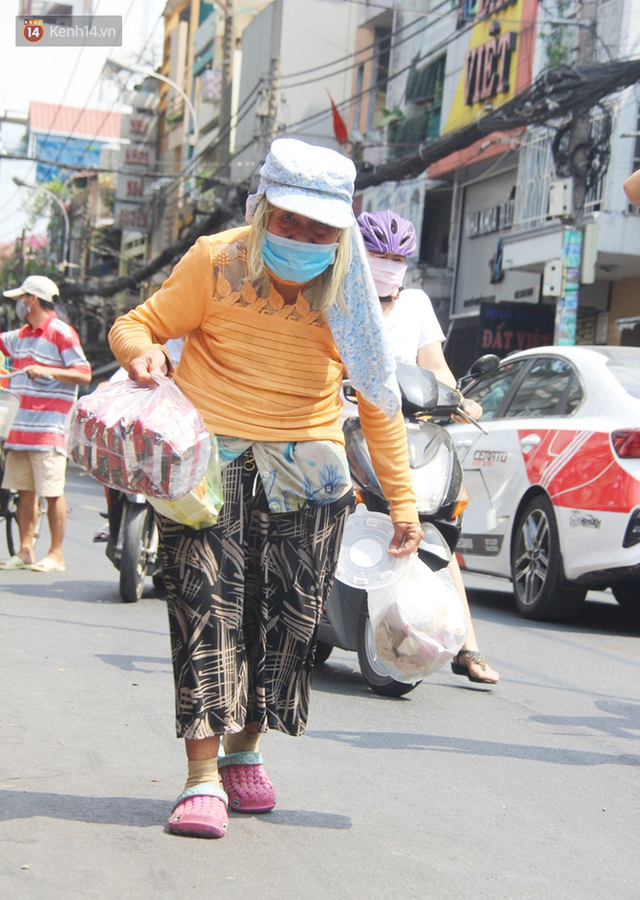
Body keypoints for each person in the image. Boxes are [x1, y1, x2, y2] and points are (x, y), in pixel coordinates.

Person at [108, 138, 423, 840]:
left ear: (341, 232)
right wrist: (143, 353)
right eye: (288, 222)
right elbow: (137, 323)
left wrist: (403, 501)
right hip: (205, 470)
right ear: (261, 210)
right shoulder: (216, 260)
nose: (303, 240)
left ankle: (245, 753)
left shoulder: (347, 287)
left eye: (320, 230)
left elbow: (378, 399)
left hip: (307, 476)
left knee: (282, 624)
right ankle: (199, 778)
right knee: (202, 612)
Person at [357, 209, 500, 685]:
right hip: (347, 429)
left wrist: (456, 397)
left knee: (434, 528)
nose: (388, 264)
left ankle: (467, 646)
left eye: (397, 257)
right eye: (379, 254)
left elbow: (435, 367)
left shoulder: (416, 304)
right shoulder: (341, 299)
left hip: (409, 436)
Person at [0, 275, 92, 572]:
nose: (18, 303)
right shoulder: (22, 335)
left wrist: (48, 370)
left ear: (33, 300)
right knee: (24, 491)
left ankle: (56, 554)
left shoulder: (61, 332)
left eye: (22, 297)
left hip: (49, 429)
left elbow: (83, 374)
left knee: (52, 493)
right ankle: (26, 550)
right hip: (20, 426)